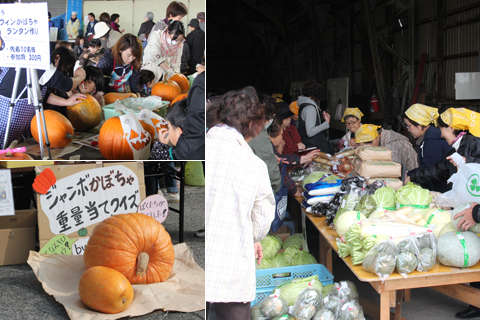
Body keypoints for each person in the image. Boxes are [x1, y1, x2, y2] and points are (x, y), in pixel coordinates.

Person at [206, 86, 275, 320]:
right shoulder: (253, 164)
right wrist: (252, 237)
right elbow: (263, 217)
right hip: (231, 259)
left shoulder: (201, 144)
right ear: (253, 125)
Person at [407, 108, 480, 189]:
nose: (441, 135)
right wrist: (412, 176)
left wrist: (467, 161)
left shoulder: (474, 143)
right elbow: (439, 170)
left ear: (451, 128)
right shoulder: (456, 149)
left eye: (441, 130)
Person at [404, 104, 453, 192]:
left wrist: (410, 176)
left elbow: (430, 169)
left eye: (409, 125)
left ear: (419, 124)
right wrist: (409, 174)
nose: (408, 129)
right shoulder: (430, 137)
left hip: (443, 190)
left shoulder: (433, 141)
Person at [165, 70, 205, 160]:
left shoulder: (201, 83)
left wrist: (162, 146)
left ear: (179, 133)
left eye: (169, 127)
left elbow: (187, 150)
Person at [142, 1, 187, 78]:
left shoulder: (178, 33)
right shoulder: (160, 28)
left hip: (166, 69)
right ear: (171, 15)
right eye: (180, 17)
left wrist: (175, 73)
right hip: (153, 67)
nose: (181, 20)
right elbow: (154, 52)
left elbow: (176, 59)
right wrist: (170, 71)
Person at [38, 46, 87, 116]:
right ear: (57, 58)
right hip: (47, 115)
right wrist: (80, 77)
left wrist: (67, 100)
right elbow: (66, 85)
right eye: (66, 67)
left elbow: (45, 95)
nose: (66, 71)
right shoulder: (45, 67)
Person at [248, 95, 282, 194]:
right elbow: (268, 163)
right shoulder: (257, 131)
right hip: (257, 189)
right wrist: (275, 187)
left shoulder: (242, 126)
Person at [297, 77, 332, 153]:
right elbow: (310, 132)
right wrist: (326, 123)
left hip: (310, 145)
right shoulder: (310, 108)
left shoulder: (303, 105)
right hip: (314, 147)